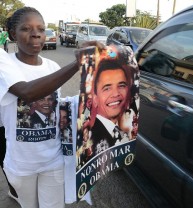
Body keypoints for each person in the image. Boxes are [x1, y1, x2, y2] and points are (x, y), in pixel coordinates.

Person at [0, 7, 105, 208]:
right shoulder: (5, 64)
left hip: (53, 160)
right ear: (13, 34)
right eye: (26, 29)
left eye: (41, 28)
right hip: (22, 164)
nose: (36, 34)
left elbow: (59, 109)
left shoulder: (52, 67)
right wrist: (77, 63)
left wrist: (90, 100)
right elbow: (27, 92)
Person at [90, 59, 132, 156]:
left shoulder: (122, 130)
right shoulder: (91, 137)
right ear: (95, 98)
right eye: (107, 88)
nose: (116, 94)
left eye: (121, 86)